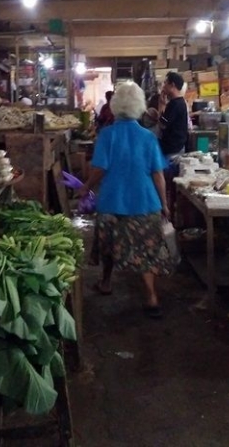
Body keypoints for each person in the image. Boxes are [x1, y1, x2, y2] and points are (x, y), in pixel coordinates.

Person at [77, 81, 177, 319]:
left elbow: (99, 169)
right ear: (140, 106)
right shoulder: (148, 137)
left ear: (115, 106)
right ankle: (151, 296)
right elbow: (158, 174)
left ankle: (106, 282)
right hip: (145, 202)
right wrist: (163, 204)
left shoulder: (107, 135)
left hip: (113, 201)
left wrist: (86, 187)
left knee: (110, 243)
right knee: (147, 250)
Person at [158, 72, 189, 160]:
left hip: (172, 149)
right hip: (176, 146)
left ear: (172, 85)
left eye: (165, 83)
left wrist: (161, 105)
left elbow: (162, 125)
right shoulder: (180, 102)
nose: (163, 86)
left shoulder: (175, 104)